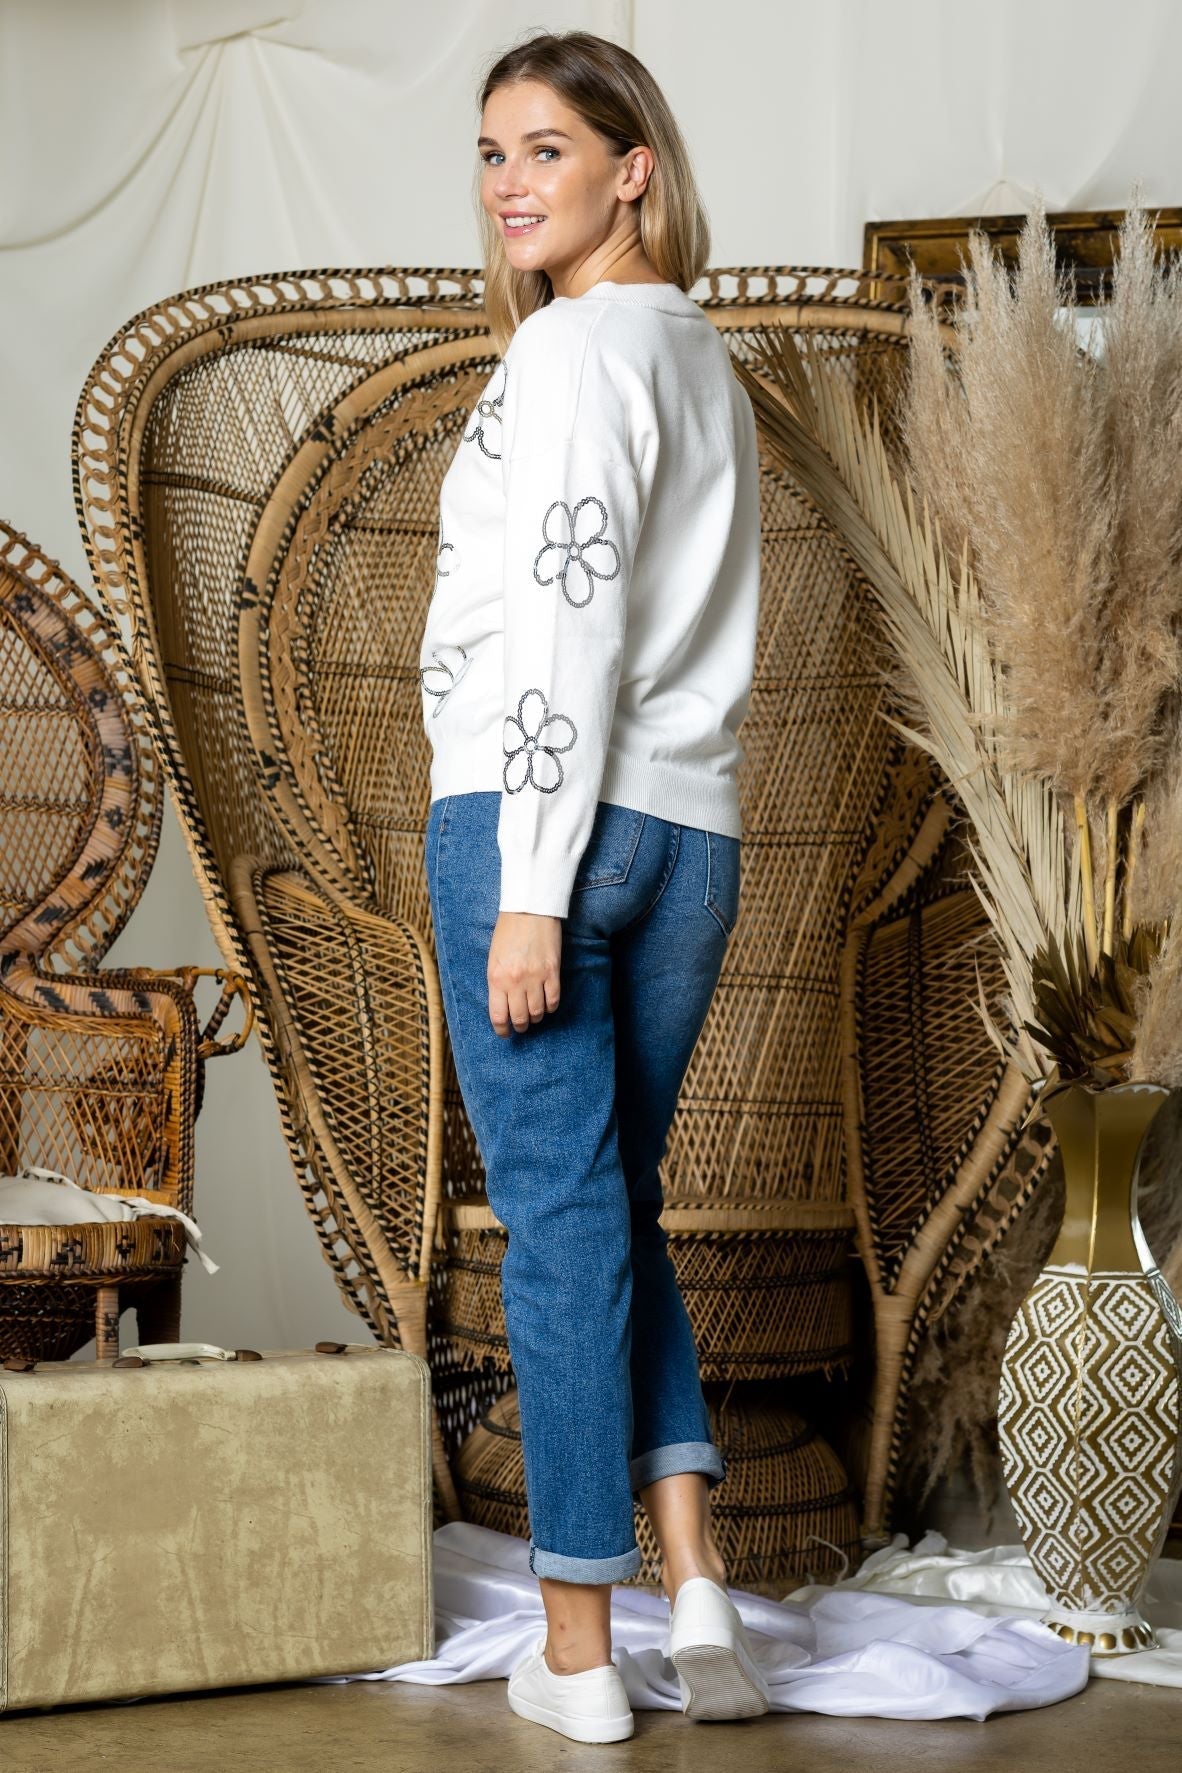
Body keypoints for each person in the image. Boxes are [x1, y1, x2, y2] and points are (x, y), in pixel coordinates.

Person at [421, 27, 766, 1744]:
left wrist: (531, 886)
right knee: (612, 1206)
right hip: (690, 834)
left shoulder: (571, 348)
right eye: (490, 152)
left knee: (558, 1233)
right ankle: (694, 1579)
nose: (508, 184)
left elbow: (566, 620)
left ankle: (577, 1653)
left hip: (536, 814)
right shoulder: (698, 353)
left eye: (544, 149)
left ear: (632, 169)